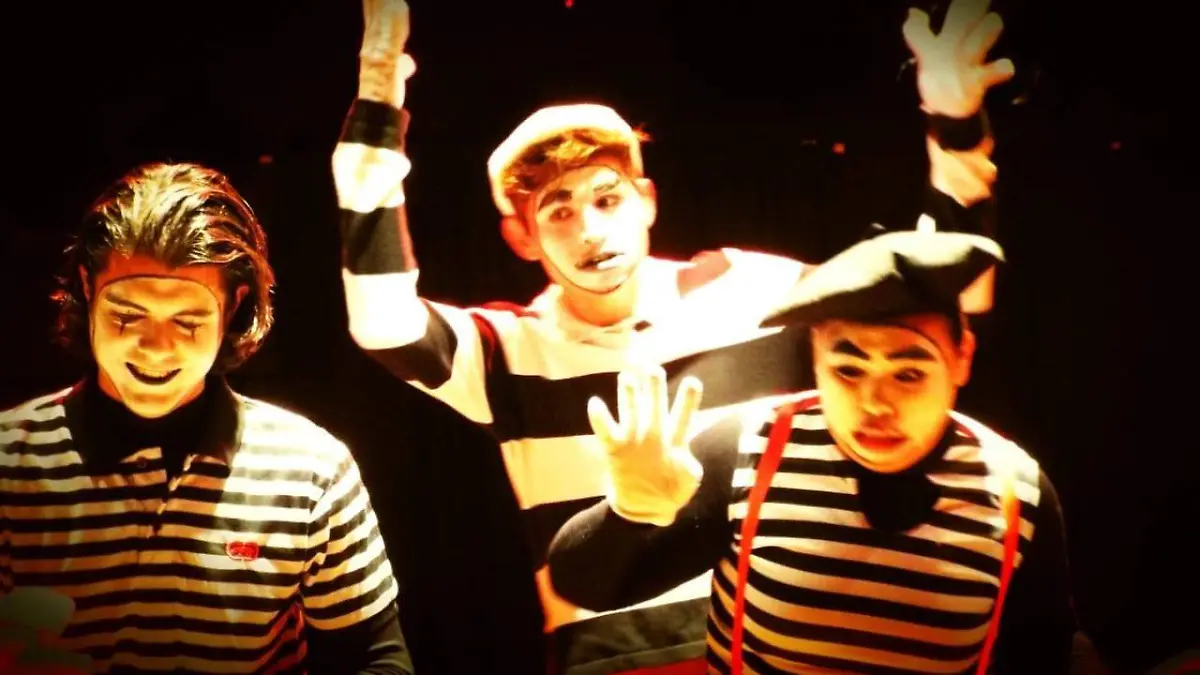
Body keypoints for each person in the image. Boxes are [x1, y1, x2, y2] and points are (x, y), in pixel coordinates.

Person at [334, 0, 1015, 671]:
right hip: (613, 652)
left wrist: (957, 127)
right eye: (558, 212)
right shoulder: (509, 349)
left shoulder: (745, 290)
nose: (590, 230)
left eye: (607, 199)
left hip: (773, 638)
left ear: (648, 202)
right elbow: (381, 320)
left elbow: (937, 291)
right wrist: (375, 113)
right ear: (522, 237)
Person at [546, 229, 1076, 673]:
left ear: (962, 358)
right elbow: (586, 586)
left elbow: (1041, 659)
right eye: (847, 370)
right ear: (815, 357)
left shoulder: (1018, 493)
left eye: (909, 373)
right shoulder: (752, 449)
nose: (875, 403)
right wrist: (628, 515)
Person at [0, 163, 413, 675]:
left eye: (187, 321)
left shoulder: (311, 470)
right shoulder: (10, 461)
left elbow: (376, 659)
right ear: (88, 286)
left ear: (233, 306)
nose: (156, 348)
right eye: (127, 316)